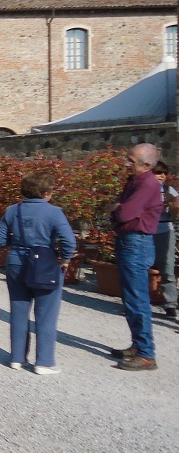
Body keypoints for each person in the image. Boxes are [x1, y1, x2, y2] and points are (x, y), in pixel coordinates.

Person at [0, 171, 76, 374]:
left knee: (19, 310)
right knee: (46, 313)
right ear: (46, 192)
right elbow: (69, 241)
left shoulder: (13, 210)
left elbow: (0, 240)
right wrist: (64, 260)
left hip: (16, 262)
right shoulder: (54, 212)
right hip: (45, 263)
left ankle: (17, 357)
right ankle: (44, 362)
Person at [107, 143, 164, 371]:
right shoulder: (135, 181)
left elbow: (124, 212)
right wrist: (117, 208)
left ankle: (146, 353)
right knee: (131, 297)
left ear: (147, 164)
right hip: (129, 240)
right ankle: (138, 345)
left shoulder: (147, 183)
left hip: (136, 242)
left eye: (131, 161)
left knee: (137, 298)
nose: (125, 164)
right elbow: (120, 211)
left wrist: (117, 208)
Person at [151, 162, 179, 319]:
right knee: (140, 267)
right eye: (158, 173)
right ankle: (137, 301)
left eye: (164, 173)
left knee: (167, 268)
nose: (161, 176)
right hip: (145, 231)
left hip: (164, 230)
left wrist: (172, 203)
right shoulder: (142, 190)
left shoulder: (169, 191)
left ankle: (170, 304)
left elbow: (176, 214)